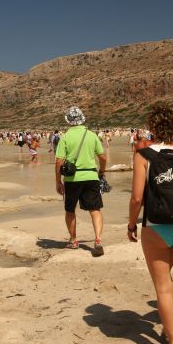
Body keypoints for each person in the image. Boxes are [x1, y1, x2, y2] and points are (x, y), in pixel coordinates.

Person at [127, 104, 173, 344]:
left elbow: (137, 198)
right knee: (166, 279)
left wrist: (131, 224)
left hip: (156, 228)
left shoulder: (143, 155)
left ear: (152, 128)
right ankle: (169, 330)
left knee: (163, 286)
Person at [55, 106, 107, 257]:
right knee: (95, 209)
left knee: (70, 210)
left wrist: (58, 181)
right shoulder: (91, 135)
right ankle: (98, 240)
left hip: (72, 179)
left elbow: (59, 162)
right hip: (91, 176)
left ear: (68, 121)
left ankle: (73, 240)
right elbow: (103, 157)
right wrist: (101, 172)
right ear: (82, 119)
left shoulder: (65, 137)